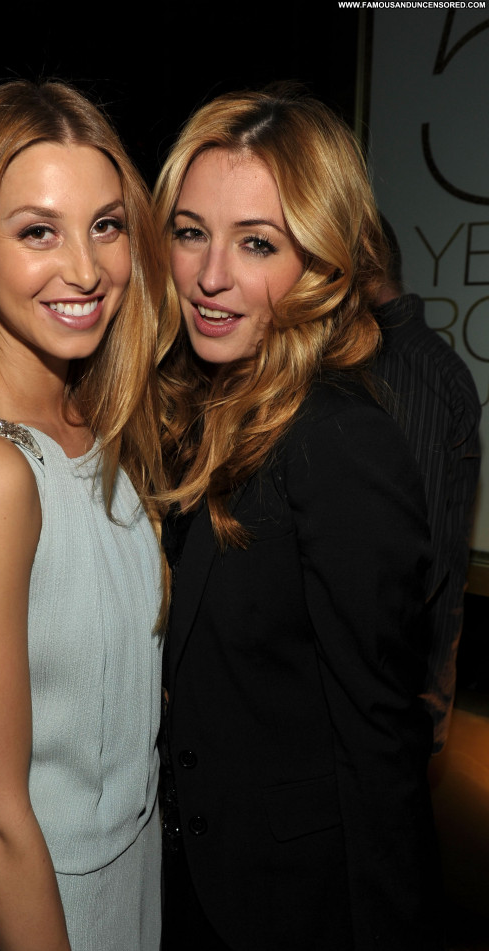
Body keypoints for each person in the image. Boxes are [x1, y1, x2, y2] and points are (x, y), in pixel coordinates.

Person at [154, 86, 444, 951]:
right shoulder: (196, 411)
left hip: (291, 908)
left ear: (321, 264)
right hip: (192, 887)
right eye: (191, 232)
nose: (211, 276)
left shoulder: (339, 440)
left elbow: (380, 738)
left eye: (257, 243)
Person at [0, 80, 165, 951]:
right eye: (38, 231)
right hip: (35, 900)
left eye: (106, 225)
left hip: (132, 868)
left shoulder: (91, 417)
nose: (86, 269)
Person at [373, 218, 481, 753]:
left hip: (390, 699)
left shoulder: (403, 372)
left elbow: (410, 568)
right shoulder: (420, 366)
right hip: (399, 695)